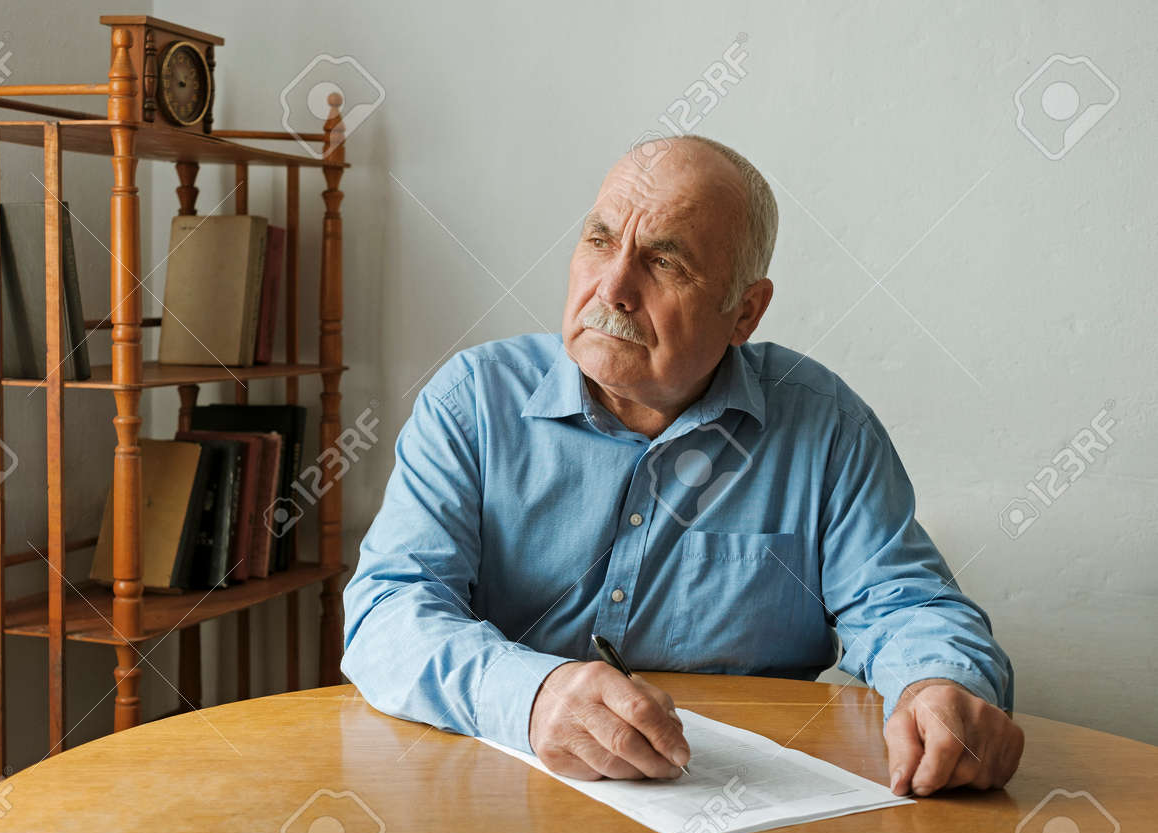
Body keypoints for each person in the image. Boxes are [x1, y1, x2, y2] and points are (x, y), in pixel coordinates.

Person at [341, 135, 1024, 797]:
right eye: (600, 240)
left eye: (664, 262)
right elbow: (388, 613)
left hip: (747, 807)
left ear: (745, 312)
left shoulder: (825, 427)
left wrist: (940, 684)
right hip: (496, 795)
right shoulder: (473, 402)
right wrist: (534, 694)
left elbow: (906, 605)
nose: (612, 287)